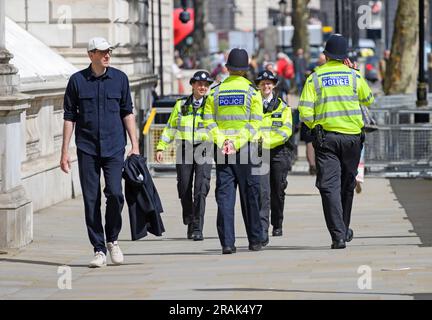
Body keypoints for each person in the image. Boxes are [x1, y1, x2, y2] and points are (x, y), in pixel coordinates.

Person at [60, 37, 140, 267]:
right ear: (91, 55)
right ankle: (98, 249)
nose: (107, 55)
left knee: (115, 194)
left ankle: (112, 239)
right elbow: (69, 117)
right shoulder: (76, 81)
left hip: (115, 147)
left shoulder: (120, 79)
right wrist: (64, 152)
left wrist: (134, 145)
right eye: (102, 52)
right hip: (87, 148)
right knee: (91, 199)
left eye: (109, 51)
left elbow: (127, 112)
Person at [298, 34, 374, 249]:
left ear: (326, 54)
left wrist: (315, 126)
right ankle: (343, 227)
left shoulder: (315, 77)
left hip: (327, 139)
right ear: (345, 56)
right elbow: (369, 99)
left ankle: (338, 234)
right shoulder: (353, 76)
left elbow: (304, 111)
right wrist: (357, 73)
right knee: (347, 184)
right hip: (352, 138)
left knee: (329, 186)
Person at [203, 48, 263, 254]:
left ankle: (227, 243)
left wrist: (223, 141)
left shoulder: (215, 91)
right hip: (246, 150)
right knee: (250, 196)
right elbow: (255, 123)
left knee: (225, 198)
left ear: (227, 68)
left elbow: (208, 120)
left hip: (222, 151)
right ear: (246, 70)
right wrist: (237, 143)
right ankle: (255, 240)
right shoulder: (251, 92)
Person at [155, 71, 214, 241]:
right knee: (184, 187)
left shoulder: (211, 105)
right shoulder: (181, 105)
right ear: (193, 85)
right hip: (184, 149)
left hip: (204, 148)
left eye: (206, 85)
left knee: (201, 189)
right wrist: (161, 147)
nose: (203, 87)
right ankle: (189, 218)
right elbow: (171, 127)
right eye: (199, 84)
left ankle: (197, 227)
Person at [255, 70, 293, 246]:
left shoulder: (283, 107)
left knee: (277, 189)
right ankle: (262, 229)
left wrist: (266, 141)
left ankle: (277, 223)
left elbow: (286, 131)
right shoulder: (253, 105)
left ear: (274, 85)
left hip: (279, 152)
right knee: (262, 191)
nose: (266, 86)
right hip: (259, 153)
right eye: (263, 83)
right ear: (258, 85)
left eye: (269, 83)